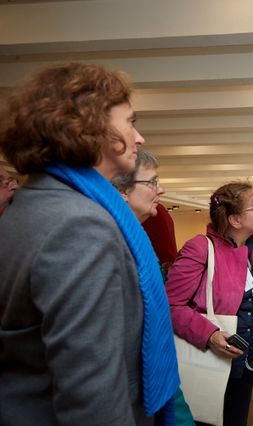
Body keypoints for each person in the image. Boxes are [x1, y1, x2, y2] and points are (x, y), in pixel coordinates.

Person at [0, 63, 179, 426]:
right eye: (130, 122)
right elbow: (91, 387)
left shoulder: (34, 203)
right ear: (91, 128)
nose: (139, 137)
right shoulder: (79, 225)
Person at [165, 181, 253, 426]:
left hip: (246, 359)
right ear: (235, 220)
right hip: (209, 359)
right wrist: (210, 334)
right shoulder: (200, 248)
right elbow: (170, 306)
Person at [113, 149, 196, 426]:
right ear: (123, 191)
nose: (161, 190)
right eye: (152, 182)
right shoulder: (115, 246)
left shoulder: (134, 239)